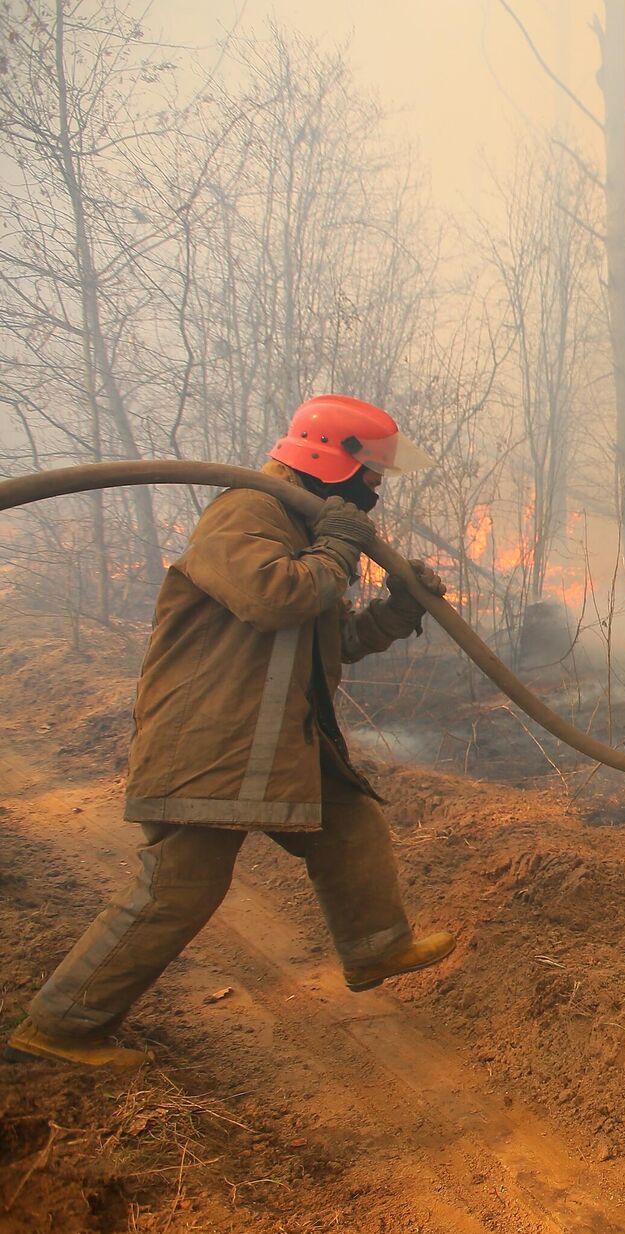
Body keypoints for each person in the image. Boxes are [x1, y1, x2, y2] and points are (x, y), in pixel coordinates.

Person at [6, 395, 454, 1068]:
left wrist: (396, 610)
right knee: (180, 888)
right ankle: (61, 1024)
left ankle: (375, 947)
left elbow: (331, 640)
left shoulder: (304, 527)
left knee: (350, 824)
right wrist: (337, 547)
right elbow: (277, 599)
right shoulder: (246, 513)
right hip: (212, 743)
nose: (376, 489)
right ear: (332, 456)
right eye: (372, 473)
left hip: (276, 741)